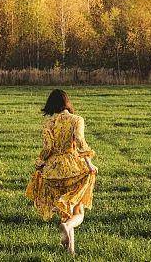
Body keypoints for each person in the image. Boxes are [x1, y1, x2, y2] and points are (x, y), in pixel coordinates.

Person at [25, 89, 97, 255]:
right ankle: (68, 226)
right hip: (74, 169)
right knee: (78, 211)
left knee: (66, 210)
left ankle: (70, 251)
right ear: (67, 102)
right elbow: (80, 142)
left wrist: (40, 164)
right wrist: (90, 164)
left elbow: (47, 148)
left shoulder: (48, 124)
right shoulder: (77, 120)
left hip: (53, 172)